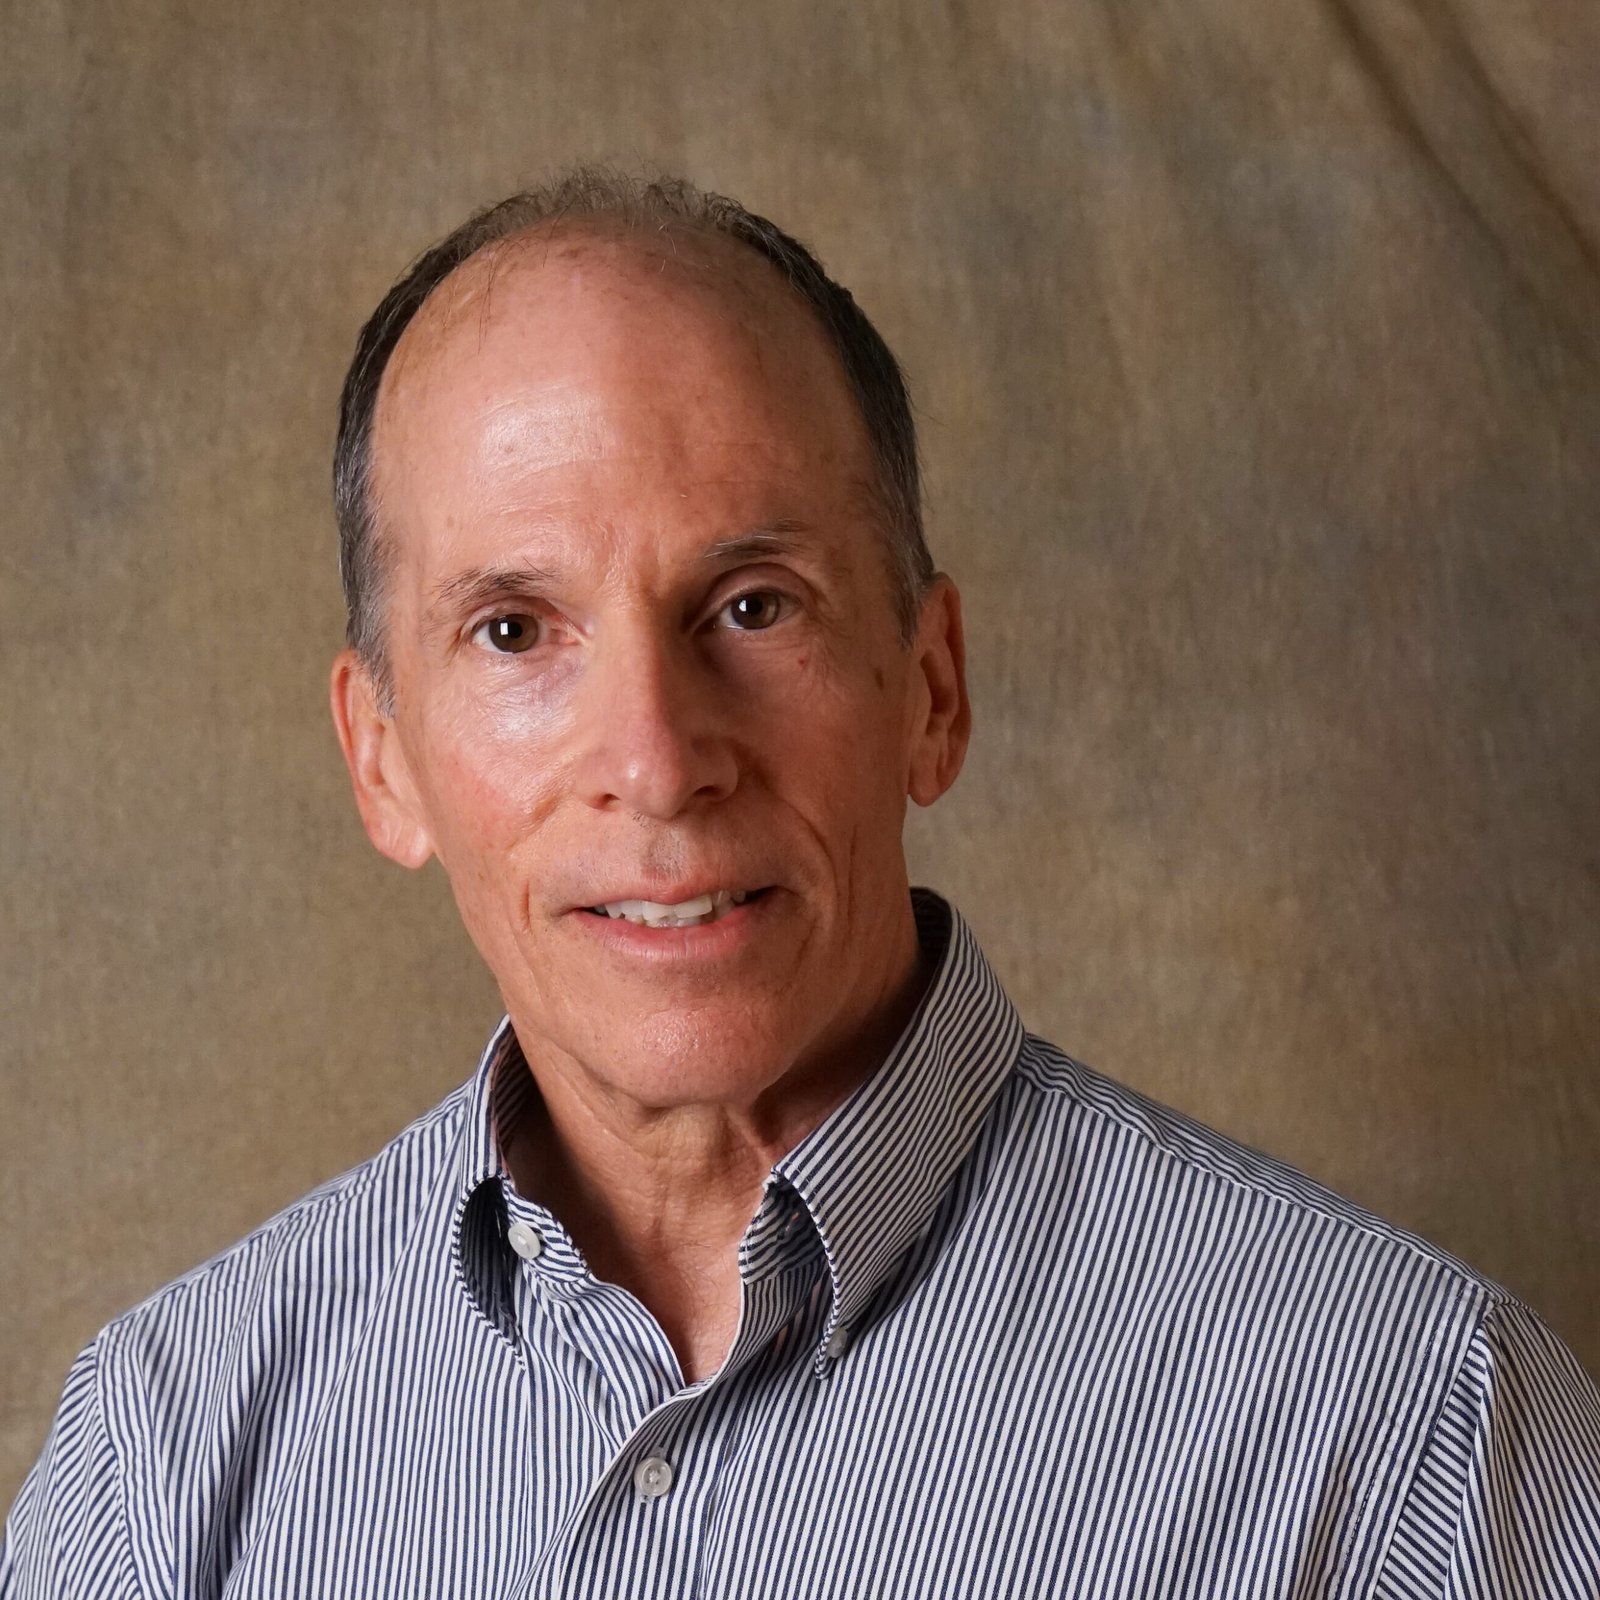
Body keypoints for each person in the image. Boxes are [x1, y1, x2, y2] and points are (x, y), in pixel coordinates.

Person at [4, 169, 1598, 1599]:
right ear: (382, 759)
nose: (658, 759)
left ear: (932, 688)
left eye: (754, 605)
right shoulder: (163, 1459)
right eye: (514, 632)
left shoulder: (1414, 1437)